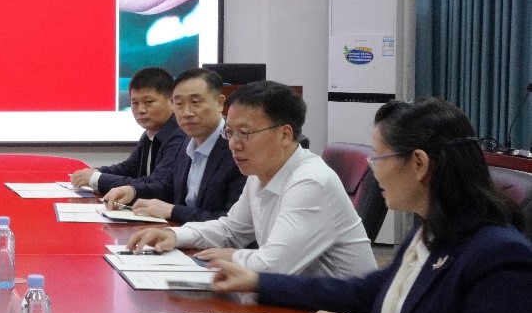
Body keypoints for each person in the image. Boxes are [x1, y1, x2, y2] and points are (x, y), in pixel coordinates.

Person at [209, 98, 532, 313]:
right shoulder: (432, 229)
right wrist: (260, 282)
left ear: (419, 164)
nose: (371, 168)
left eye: (378, 157)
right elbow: (367, 291)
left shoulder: (499, 255)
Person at [128, 80, 376, 278]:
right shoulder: (260, 172)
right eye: (230, 133)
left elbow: (272, 267)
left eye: (244, 133)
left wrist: (232, 256)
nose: (234, 144)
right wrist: (174, 236)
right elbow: (231, 230)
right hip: (297, 302)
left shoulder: (310, 182)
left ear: (285, 134)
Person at [105, 67, 246, 224]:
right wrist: (133, 191)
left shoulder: (238, 148)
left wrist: (173, 211)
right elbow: (167, 187)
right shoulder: (186, 142)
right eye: (179, 104)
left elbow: (232, 223)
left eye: (195, 102)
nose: (187, 112)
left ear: (219, 103)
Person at [69, 67, 185, 196]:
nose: (141, 110)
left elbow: (157, 184)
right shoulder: (150, 133)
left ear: (172, 101)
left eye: (148, 102)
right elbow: (129, 168)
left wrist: (98, 179)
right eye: (134, 103)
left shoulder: (179, 136)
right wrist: (95, 172)